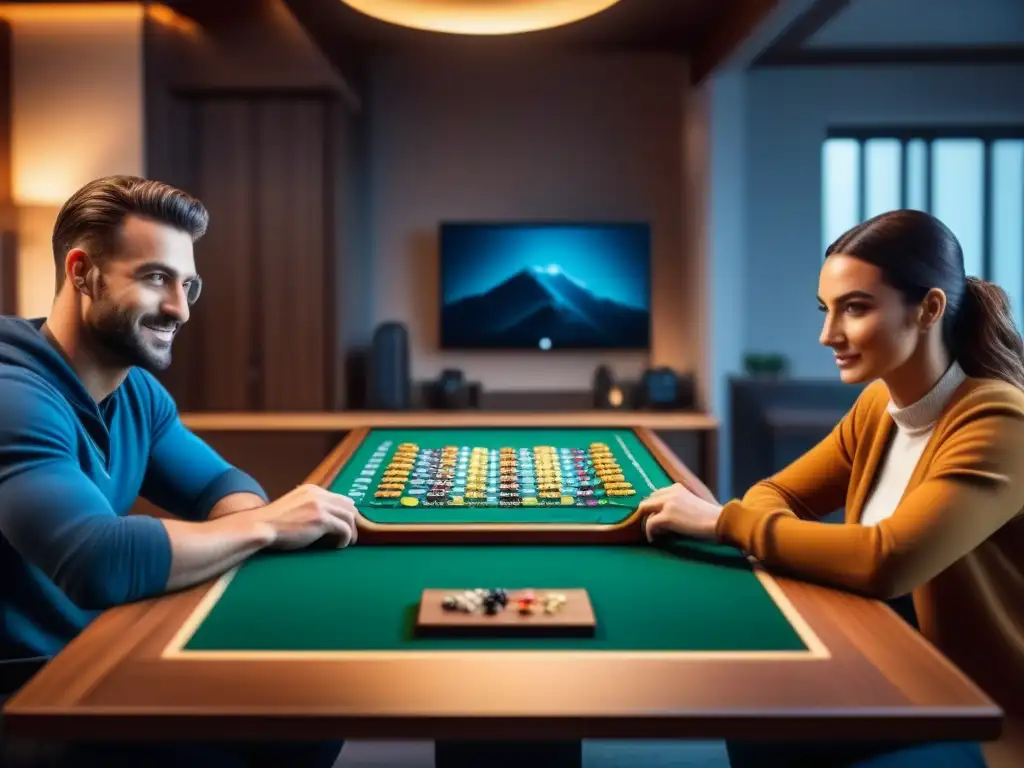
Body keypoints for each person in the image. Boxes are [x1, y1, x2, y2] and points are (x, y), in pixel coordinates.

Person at [640, 209, 1024, 768]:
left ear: (929, 308)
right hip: (890, 674)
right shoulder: (877, 406)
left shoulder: (1000, 422)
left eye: (856, 308)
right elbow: (774, 493)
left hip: (979, 714)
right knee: (756, 719)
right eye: (826, 310)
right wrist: (763, 523)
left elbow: (888, 560)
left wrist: (722, 522)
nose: (828, 335)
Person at [0, 175, 358, 767]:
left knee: (309, 719)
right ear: (82, 272)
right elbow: (98, 559)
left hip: (95, 657)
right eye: (155, 278)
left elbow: (221, 487)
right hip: (27, 695)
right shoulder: (14, 396)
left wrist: (258, 518)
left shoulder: (135, 390)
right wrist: (269, 527)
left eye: (188, 283)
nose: (180, 309)